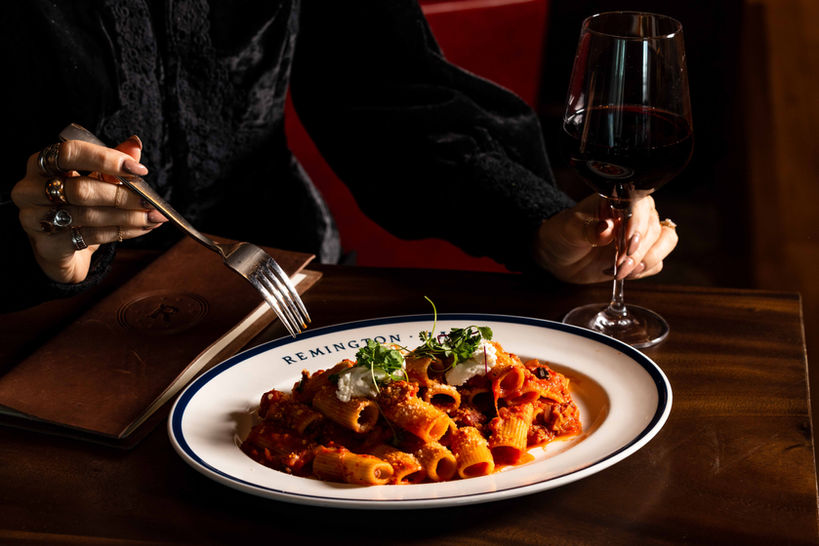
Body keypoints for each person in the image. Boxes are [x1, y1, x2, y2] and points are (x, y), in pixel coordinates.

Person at [2, 0, 677, 313]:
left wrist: (537, 225)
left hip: (276, 277)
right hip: (32, 308)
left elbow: (384, 92)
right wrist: (33, 239)